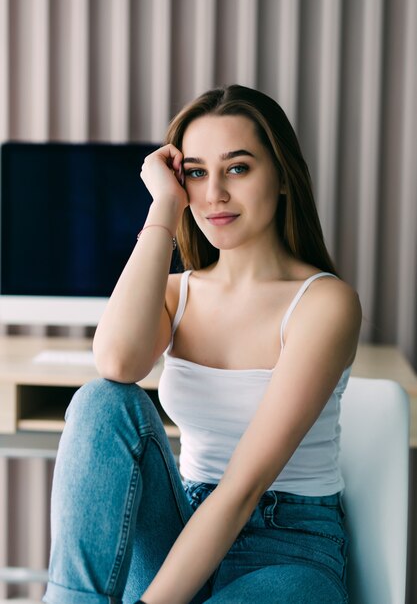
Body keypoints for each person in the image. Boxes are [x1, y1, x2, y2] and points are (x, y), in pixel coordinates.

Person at [43, 84, 361, 604]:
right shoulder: (176, 293)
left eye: (237, 168)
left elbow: (242, 490)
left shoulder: (325, 304)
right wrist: (163, 210)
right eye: (195, 172)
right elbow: (117, 362)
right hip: (179, 528)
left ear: (281, 177)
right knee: (102, 399)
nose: (213, 193)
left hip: (288, 548)